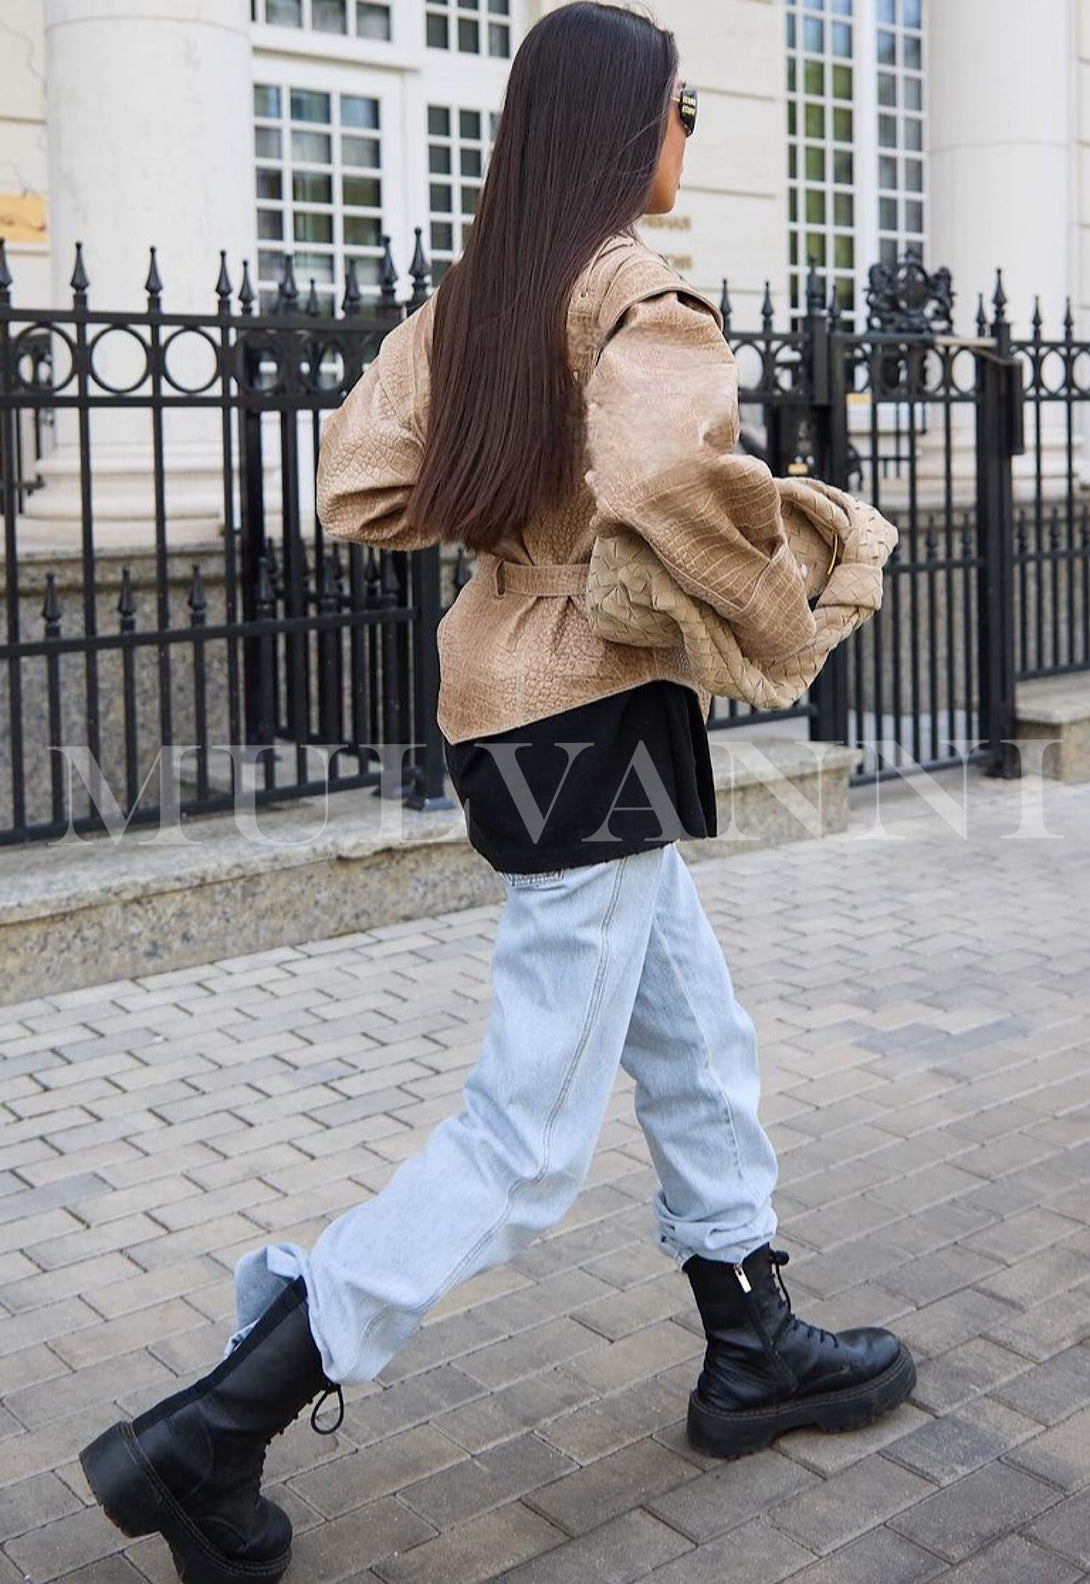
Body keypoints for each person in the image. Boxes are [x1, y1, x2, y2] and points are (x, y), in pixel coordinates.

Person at [80, 6, 915, 1582]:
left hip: (518, 718)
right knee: (526, 1140)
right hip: (588, 723)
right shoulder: (636, 297)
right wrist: (799, 554)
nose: (691, 138)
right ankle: (213, 1430)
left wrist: (525, 512)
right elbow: (676, 497)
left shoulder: (481, 296)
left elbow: (358, 480)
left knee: (693, 1036)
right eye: (685, 110)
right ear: (625, 126)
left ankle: (749, 1339)